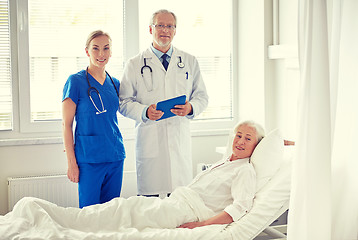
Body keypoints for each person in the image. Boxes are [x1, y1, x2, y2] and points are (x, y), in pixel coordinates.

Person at [9, 120, 263, 232]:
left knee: (124, 213)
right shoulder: (225, 161)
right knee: (123, 207)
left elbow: (240, 207)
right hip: (173, 202)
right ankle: (54, 217)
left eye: (247, 138)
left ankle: (56, 220)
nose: (239, 141)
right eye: (238, 135)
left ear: (256, 145)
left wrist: (201, 226)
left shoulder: (244, 170)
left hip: (185, 212)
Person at [119, 9, 209, 197]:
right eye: (160, 25)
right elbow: (123, 102)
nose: (165, 30)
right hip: (150, 141)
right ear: (150, 29)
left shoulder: (189, 61)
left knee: (179, 203)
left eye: (170, 26)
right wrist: (144, 112)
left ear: (175, 31)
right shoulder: (135, 64)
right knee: (150, 206)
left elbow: (202, 97)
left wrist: (190, 107)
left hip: (178, 140)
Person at [62, 30, 126, 208]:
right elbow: (66, 125)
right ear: (87, 51)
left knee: (111, 212)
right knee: (89, 214)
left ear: (111, 52)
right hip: (89, 158)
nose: (101, 54)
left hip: (115, 156)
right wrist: (71, 163)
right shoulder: (75, 82)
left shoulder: (115, 83)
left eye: (106, 48)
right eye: (95, 48)